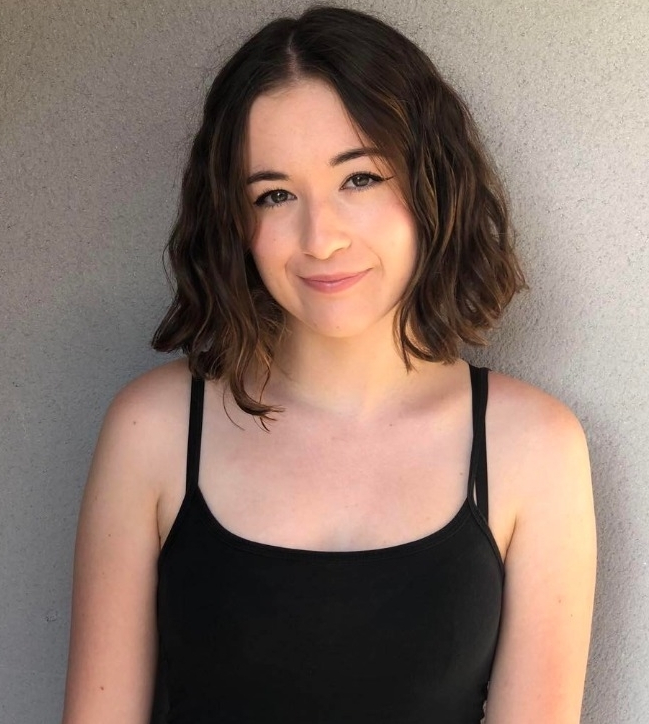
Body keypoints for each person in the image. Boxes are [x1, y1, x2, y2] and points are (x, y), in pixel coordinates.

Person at [61, 6, 597, 724]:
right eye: (275, 195)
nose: (321, 238)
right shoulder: (152, 430)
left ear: (432, 183)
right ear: (234, 223)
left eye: (360, 179)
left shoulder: (534, 447)